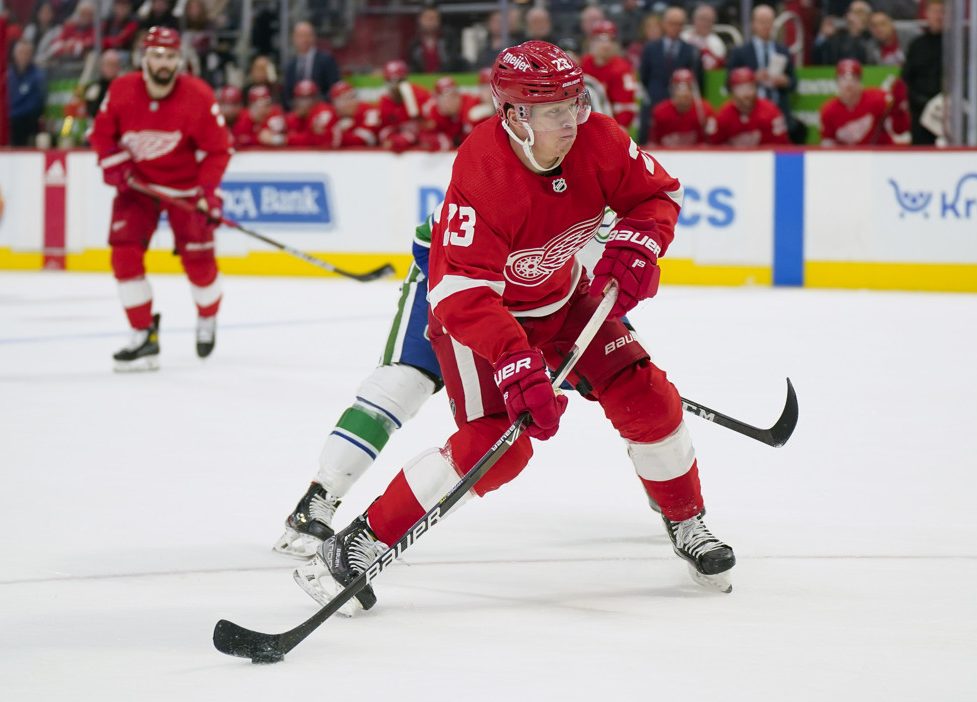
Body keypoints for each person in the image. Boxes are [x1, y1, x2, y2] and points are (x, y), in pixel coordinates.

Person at [293, 41, 736, 615]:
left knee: (648, 397)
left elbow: (657, 194)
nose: (573, 121)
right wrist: (514, 357)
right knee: (501, 449)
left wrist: (641, 243)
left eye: (575, 103)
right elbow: (459, 292)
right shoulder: (484, 171)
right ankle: (354, 547)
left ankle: (686, 521)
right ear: (515, 116)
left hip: (565, 297)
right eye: (555, 110)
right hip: (482, 320)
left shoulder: (599, 137)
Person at [89, 27, 231, 371]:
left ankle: (207, 317)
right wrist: (116, 164)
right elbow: (102, 134)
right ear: (144, 57)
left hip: (185, 190)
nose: (163, 63)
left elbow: (218, 150)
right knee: (124, 257)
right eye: (156, 55)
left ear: (179, 59)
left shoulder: (198, 96)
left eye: (170, 57)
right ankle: (143, 335)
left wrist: (208, 193)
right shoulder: (122, 89)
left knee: (199, 267)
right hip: (137, 188)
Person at [726, 5, 801, 142]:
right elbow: (728, 83)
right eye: (761, 22)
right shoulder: (741, 52)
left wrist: (784, 81)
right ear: (753, 24)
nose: (766, 26)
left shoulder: (783, 51)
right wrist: (752, 78)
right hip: (750, 114)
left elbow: (794, 83)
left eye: (769, 22)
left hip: (779, 111)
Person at [639, 7, 700, 144]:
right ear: (664, 24)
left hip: (681, 107)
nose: (675, 27)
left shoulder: (691, 51)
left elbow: (696, 82)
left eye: (679, 24)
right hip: (656, 100)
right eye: (672, 23)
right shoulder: (650, 48)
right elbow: (644, 76)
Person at [820, 59, 910, 146]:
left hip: (881, 155)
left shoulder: (878, 99)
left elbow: (900, 129)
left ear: (860, 82)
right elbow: (828, 143)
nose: (849, 84)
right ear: (837, 82)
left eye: (854, 79)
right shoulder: (829, 110)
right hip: (849, 159)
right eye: (843, 79)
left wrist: (897, 108)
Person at [580, 20, 638, 130]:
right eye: (600, 40)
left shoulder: (623, 69)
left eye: (610, 40)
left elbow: (626, 106)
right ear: (591, 42)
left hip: (611, 125)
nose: (606, 44)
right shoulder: (584, 64)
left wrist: (617, 129)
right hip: (585, 122)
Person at [711, 67, 789, 147]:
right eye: (741, 88)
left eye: (750, 87)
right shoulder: (723, 115)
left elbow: (782, 147)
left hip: (763, 158)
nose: (746, 93)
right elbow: (712, 149)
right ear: (732, 90)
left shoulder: (771, 111)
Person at [901, 0, 943, 145]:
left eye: (942, 12)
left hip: (949, 113)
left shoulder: (957, 45)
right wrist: (921, 101)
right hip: (921, 112)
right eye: (935, 12)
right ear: (927, 14)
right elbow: (906, 78)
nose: (939, 16)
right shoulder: (917, 45)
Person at [648, 68, 716, 147]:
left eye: (688, 88)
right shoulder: (660, 112)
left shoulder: (704, 111)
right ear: (673, 90)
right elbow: (653, 144)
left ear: (693, 90)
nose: (683, 93)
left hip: (696, 157)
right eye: (678, 88)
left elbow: (712, 144)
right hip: (667, 156)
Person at [282, 21, 340, 112]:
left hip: (322, 112)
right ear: (294, 39)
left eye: (307, 35)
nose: (304, 39)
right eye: (300, 36)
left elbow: (334, 89)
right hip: (297, 115)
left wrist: (315, 105)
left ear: (313, 37)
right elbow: (287, 96)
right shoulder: (290, 66)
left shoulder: (326, 60)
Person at [378, 59, 431, 153]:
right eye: (390, 81)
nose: (395, 86)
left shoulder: (421, 96)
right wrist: (397, 139)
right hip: (401, 149)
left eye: (399, 81)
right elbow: (384, 131)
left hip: (422, 150)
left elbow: (432, 125)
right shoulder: (385, 102)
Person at [7, 40, 47, 147]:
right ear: (14, 54)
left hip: (26, 121)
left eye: (27, 53)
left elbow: (36, 103)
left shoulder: (38, 76)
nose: (23, 56)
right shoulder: (7, 75)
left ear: (31, 55)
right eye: (20, 52)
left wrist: (13, 111)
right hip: (9, 119)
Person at [812, 0, 874, 65]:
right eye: (851, 11)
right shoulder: (837, 37)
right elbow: (817, 60)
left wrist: (856, 33)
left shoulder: (873, 36)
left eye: (859, 12)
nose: (854, 15)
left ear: (868, 17)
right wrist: (823, 36)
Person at [406, 7, 466, 73]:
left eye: (433, 18)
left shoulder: (449, 38)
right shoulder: (415, 44)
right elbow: (414, 67)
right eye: (426, 18)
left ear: (439, 20)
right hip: (423, 80)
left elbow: (453, 60)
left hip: (447, 77)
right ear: (420, 20)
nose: (430, 22)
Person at [329, 81, 384, 148]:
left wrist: (340, 133)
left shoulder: (368, 110)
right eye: (343, 99)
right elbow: (321, 141)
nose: (350, 102)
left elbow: (364, 140)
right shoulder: (330, 114)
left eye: (352, 97)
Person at [283, 80, 335, 147]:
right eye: (301, 98)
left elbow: (314, 140)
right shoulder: (293, 117)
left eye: (308, 98)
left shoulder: (324, 112)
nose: (304, 103)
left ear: (316, 99)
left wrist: (286, 139)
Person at [681, 4, 726, 70]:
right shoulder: (683, 37)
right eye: (703, 19)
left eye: (709, 20)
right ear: (694, 19)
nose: (706, 23)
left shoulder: (717, 42)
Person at [83, 50, 123, 120]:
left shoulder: (124, 86)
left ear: (118, 67)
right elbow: (91, 112)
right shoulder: (94, 88)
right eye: (108, 64)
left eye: (114, 65)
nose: (111, 68)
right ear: (102, 66)